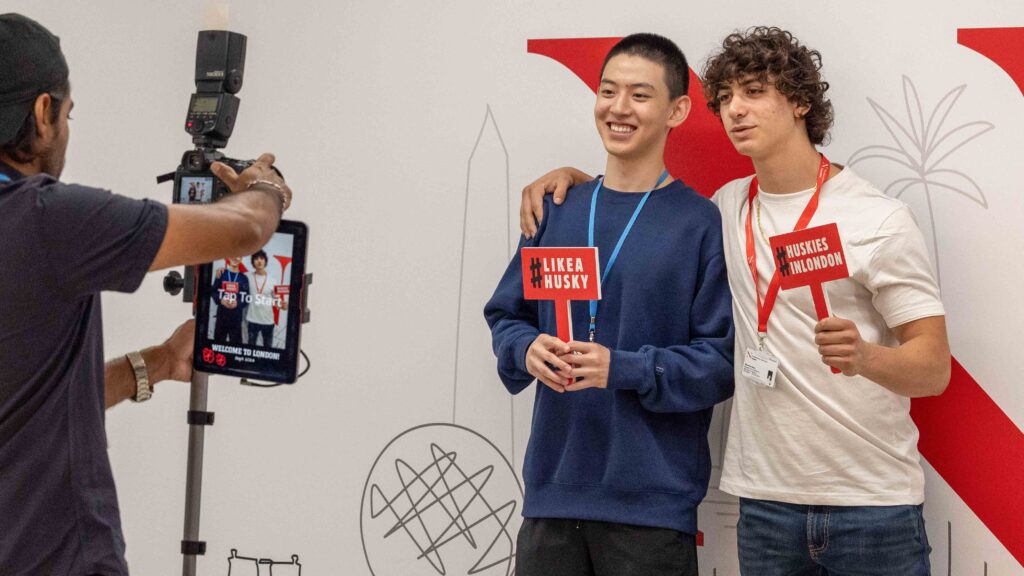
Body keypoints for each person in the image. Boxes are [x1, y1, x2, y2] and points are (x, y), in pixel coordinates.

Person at [520, 26, 951, 576]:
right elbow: (644, 201)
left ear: (800, 101)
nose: (735, 111)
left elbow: (933, 368)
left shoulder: (877, 219)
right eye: (724, 99)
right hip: (765, 503)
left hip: (871, 502)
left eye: (753, 92)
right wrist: (577, 182)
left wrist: (867, 357)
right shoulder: (723, 210)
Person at [0, 13, 294, 575]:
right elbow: (246, 230)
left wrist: (158, 362)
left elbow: (33, 400)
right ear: (42, 113)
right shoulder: (46, 219)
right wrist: (264, 188)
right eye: (66, 114)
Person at [484, 33, 734, 576]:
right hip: (551, 498)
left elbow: (718, 365)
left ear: (677, 110)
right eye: (608, 91)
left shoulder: (698, 223)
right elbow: (507, 316)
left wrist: (622, 368)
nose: (619, 108)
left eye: (640, 95)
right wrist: (526, 349)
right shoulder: (555, 208)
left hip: (650, 508)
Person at [245, 249, 285, 347]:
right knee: (250, 350)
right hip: (252, 320)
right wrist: (220, 269)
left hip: (268, 321)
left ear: (265, 261)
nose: (259, 261)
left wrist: (283, 305)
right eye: (256, 259)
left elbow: (277, 300)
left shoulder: (273, 281)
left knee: (268, 351)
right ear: (253, 262)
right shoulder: (247, 277)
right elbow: (234, 275)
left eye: (261, 258)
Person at [211, 256, 251, 343]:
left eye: (239, 256)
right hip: (222, 316)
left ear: (241, 258)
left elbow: (246, 297)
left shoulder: (244, 278)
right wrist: (221, 300)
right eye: (233, 254)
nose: (235, 257)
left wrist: (237, 303)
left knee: (236, 345)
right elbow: (213, 291)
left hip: (236, 318)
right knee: (218, 344)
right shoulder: (221, 273)